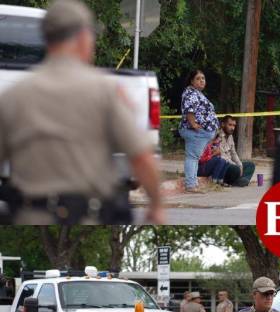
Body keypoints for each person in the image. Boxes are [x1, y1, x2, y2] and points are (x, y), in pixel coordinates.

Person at [0, 0, 163, 225]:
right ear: (82, 37)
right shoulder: (106, 92)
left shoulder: (13, 96)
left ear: (46, 39)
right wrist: (156, 206)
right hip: (91, 216)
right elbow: (142, 158)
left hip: (29, 215)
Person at [179, 69, 220, 193]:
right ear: (191, 81)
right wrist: (193, 124)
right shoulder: (191, 93)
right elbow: (189, 110)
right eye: (198, 78)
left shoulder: (197, 93)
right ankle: (190, 185)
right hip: (194, 132)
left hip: (200, 133)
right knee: (192, 157)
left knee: (194, 157)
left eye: (203, 78)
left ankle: (193, 183)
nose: (202, 80)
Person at [219, 116, 255, 187]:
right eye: (230, 125)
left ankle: (238, 181)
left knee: (250, 165)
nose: (232, 128)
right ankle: (239, 181)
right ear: (223, 124)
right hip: (223, 165)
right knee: (235, 169)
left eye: (234, 125)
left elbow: (233, 153)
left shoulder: (230, 136)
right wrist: (236, 166)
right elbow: (222, 156)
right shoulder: (217, 135)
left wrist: (240, 165)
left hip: (232, 165)